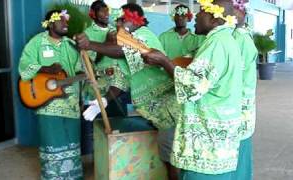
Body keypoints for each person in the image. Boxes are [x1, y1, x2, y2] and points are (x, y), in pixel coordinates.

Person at [75, 3, 181, 179]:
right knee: (165, 154)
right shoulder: (128, 40)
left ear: (136, 21)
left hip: (170, 107)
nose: (118, 23)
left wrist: (90, 44)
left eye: (122, 19)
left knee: (173, 156)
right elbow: (122, 79)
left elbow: (122, 50)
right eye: (118, 20)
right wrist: (105, 100)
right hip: (157, 113)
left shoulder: (143, 35)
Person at [142, 0, 244, 179]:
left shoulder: (217, 43)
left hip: (206, 143)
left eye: (202, 11)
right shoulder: (225, 39)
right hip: (217, 141)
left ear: (213, 18)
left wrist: (165, 62)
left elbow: (193, 85)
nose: (195, 16)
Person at [18, 10, 85, 179]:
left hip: (71, 103)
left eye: (66, 21)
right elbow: (24, 67)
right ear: (50, 23)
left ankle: (72, 176)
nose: (65, 24)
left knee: (72, 142)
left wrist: (86, 77)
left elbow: (79, 70)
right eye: (61, 21)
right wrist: (45, 68)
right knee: (52, 142)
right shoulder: (36, 43)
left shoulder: (71, 44)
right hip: (48, 104)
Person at [81, 0, 130, 120]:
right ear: (93, 14)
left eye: (107, 10)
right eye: (102, 11)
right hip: (104, 78)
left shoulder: (115, 29)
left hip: (123, 78)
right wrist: (106, 43)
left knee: (120, 120)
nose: (106, 14)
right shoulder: (87, 34)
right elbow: (92, 62)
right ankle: (102, 102)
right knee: (102, 121)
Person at [231, 1, 258, 179]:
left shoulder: (241, 38)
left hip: (239, 105)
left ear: (242, 14)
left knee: (239, 151)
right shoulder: (233, 36)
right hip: (236, 104)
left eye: (233, 11)